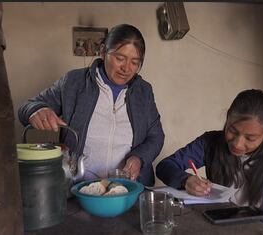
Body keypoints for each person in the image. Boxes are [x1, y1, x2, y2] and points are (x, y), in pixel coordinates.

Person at [18, 24, 164, 186]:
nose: (126, 68)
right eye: (120, 58)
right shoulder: (74, 82)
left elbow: (156, 136)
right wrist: (37, 110)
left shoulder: (144, 92)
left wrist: (138, 158)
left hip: (128, 187)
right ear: (103, 52)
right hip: (79, 188)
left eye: (135, 62)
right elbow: (28, 107)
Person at [156, 89, 263, 234]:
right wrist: (185, 180)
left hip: (260, 230)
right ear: (228, 118)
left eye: (250, 138)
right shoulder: (210, 142)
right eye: (232, 130)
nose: (237, 144)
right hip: (218, 224)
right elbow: (165, 166)